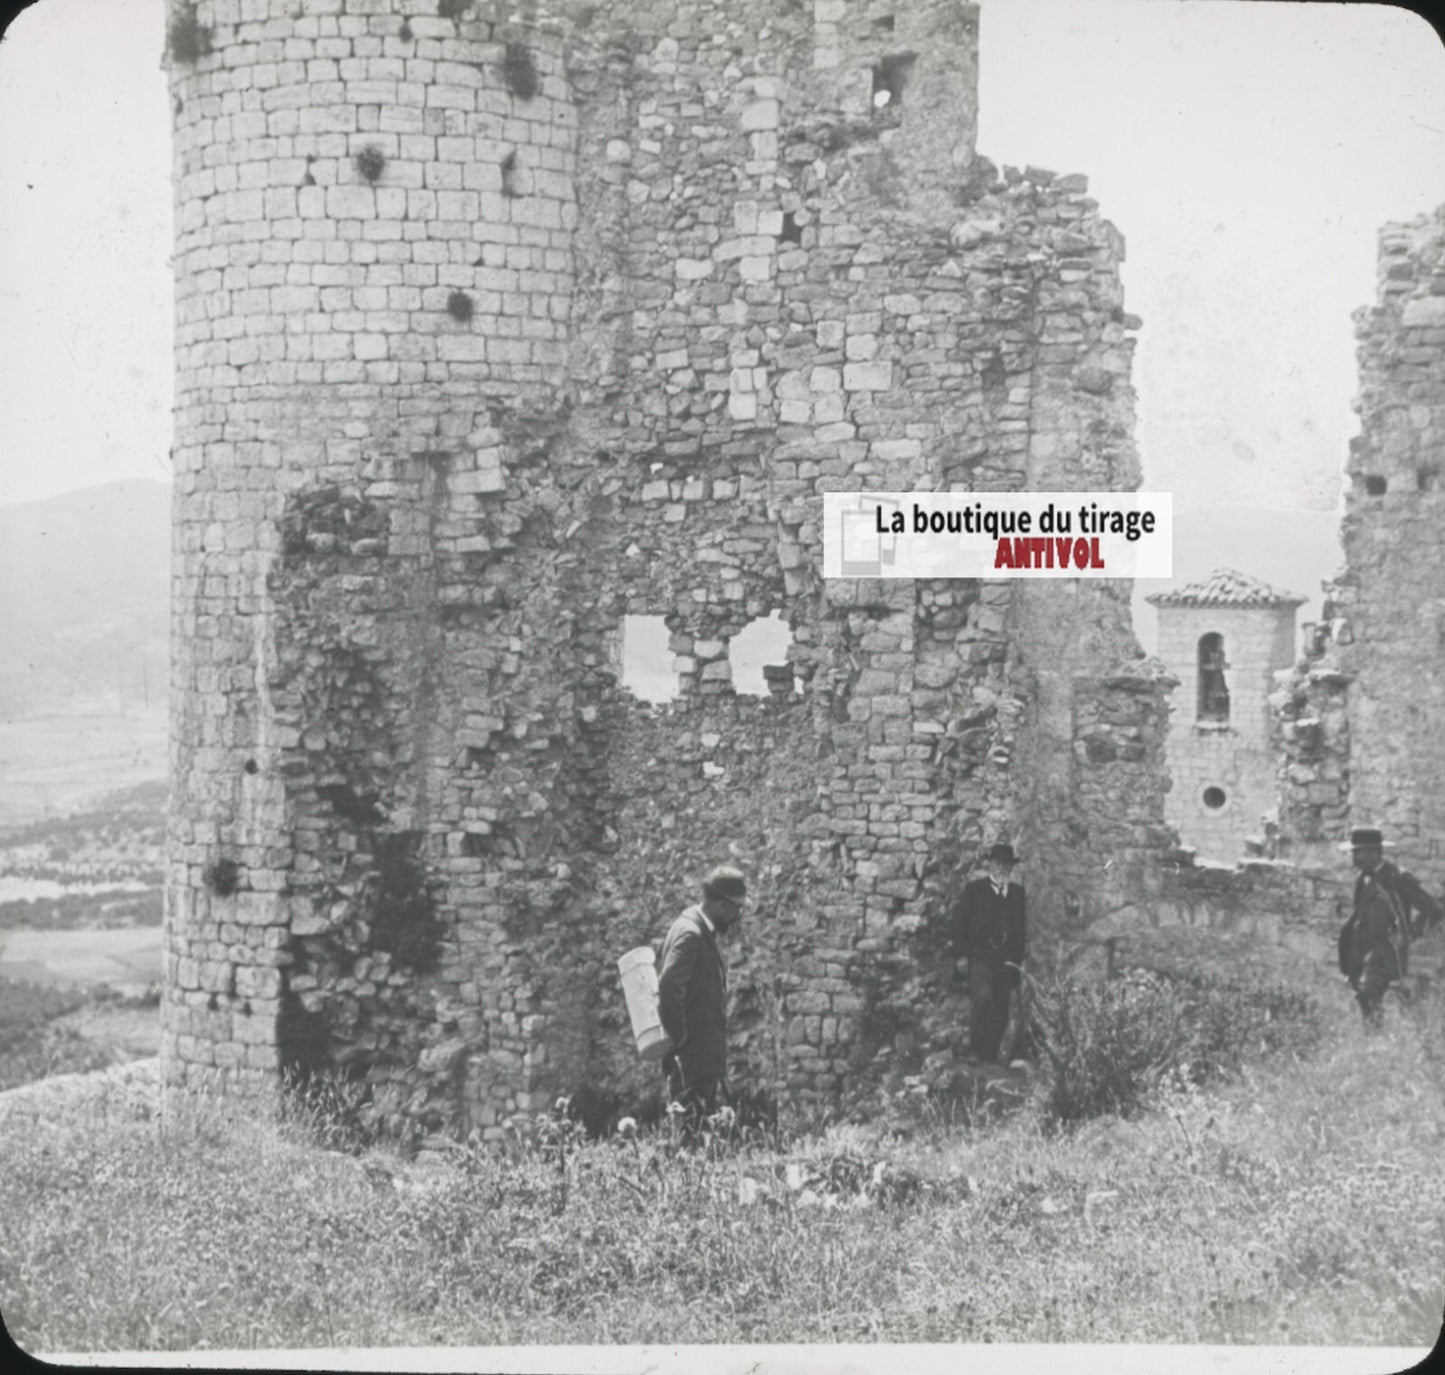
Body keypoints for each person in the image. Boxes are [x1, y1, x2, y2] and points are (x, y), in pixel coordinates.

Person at [657, 864, 747, 1128]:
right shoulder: (691, 935)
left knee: (692, 1133)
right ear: (720, 904)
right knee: (689, 1134)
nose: (737, 916)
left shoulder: (691, 926)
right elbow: (668, 987)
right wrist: (681, 1038)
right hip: (691, 1063)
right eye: (736, 908)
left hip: (695, 1060)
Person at [1337, 827, 1444, 1022]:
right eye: (1353, 852)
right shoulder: (1361, 879)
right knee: (1364, 997)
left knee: (1368, 993)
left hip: (1385, 950)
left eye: (1358, 852)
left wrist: (1411, 931)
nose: (1353, 857)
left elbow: (1434, 910)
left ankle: (1376, 1037)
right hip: (1362, 949)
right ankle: (1374, 1039)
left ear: (1375, 852)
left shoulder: (1397, 877)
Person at [951, 842, 1026, 1063]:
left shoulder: (1017, 894)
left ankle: (989, 1055)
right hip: (980, 958)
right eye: (998, 863)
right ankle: (975, 1048)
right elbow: (958, 924)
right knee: (983, 997)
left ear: (1011, 868)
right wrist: (961, 955)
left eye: (1006, 865)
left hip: (1005, 961)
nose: (1002, 868)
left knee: (1001, 1007)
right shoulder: (975, 890)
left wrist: (1018, 963)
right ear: (990, 864)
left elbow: (1020, 930)